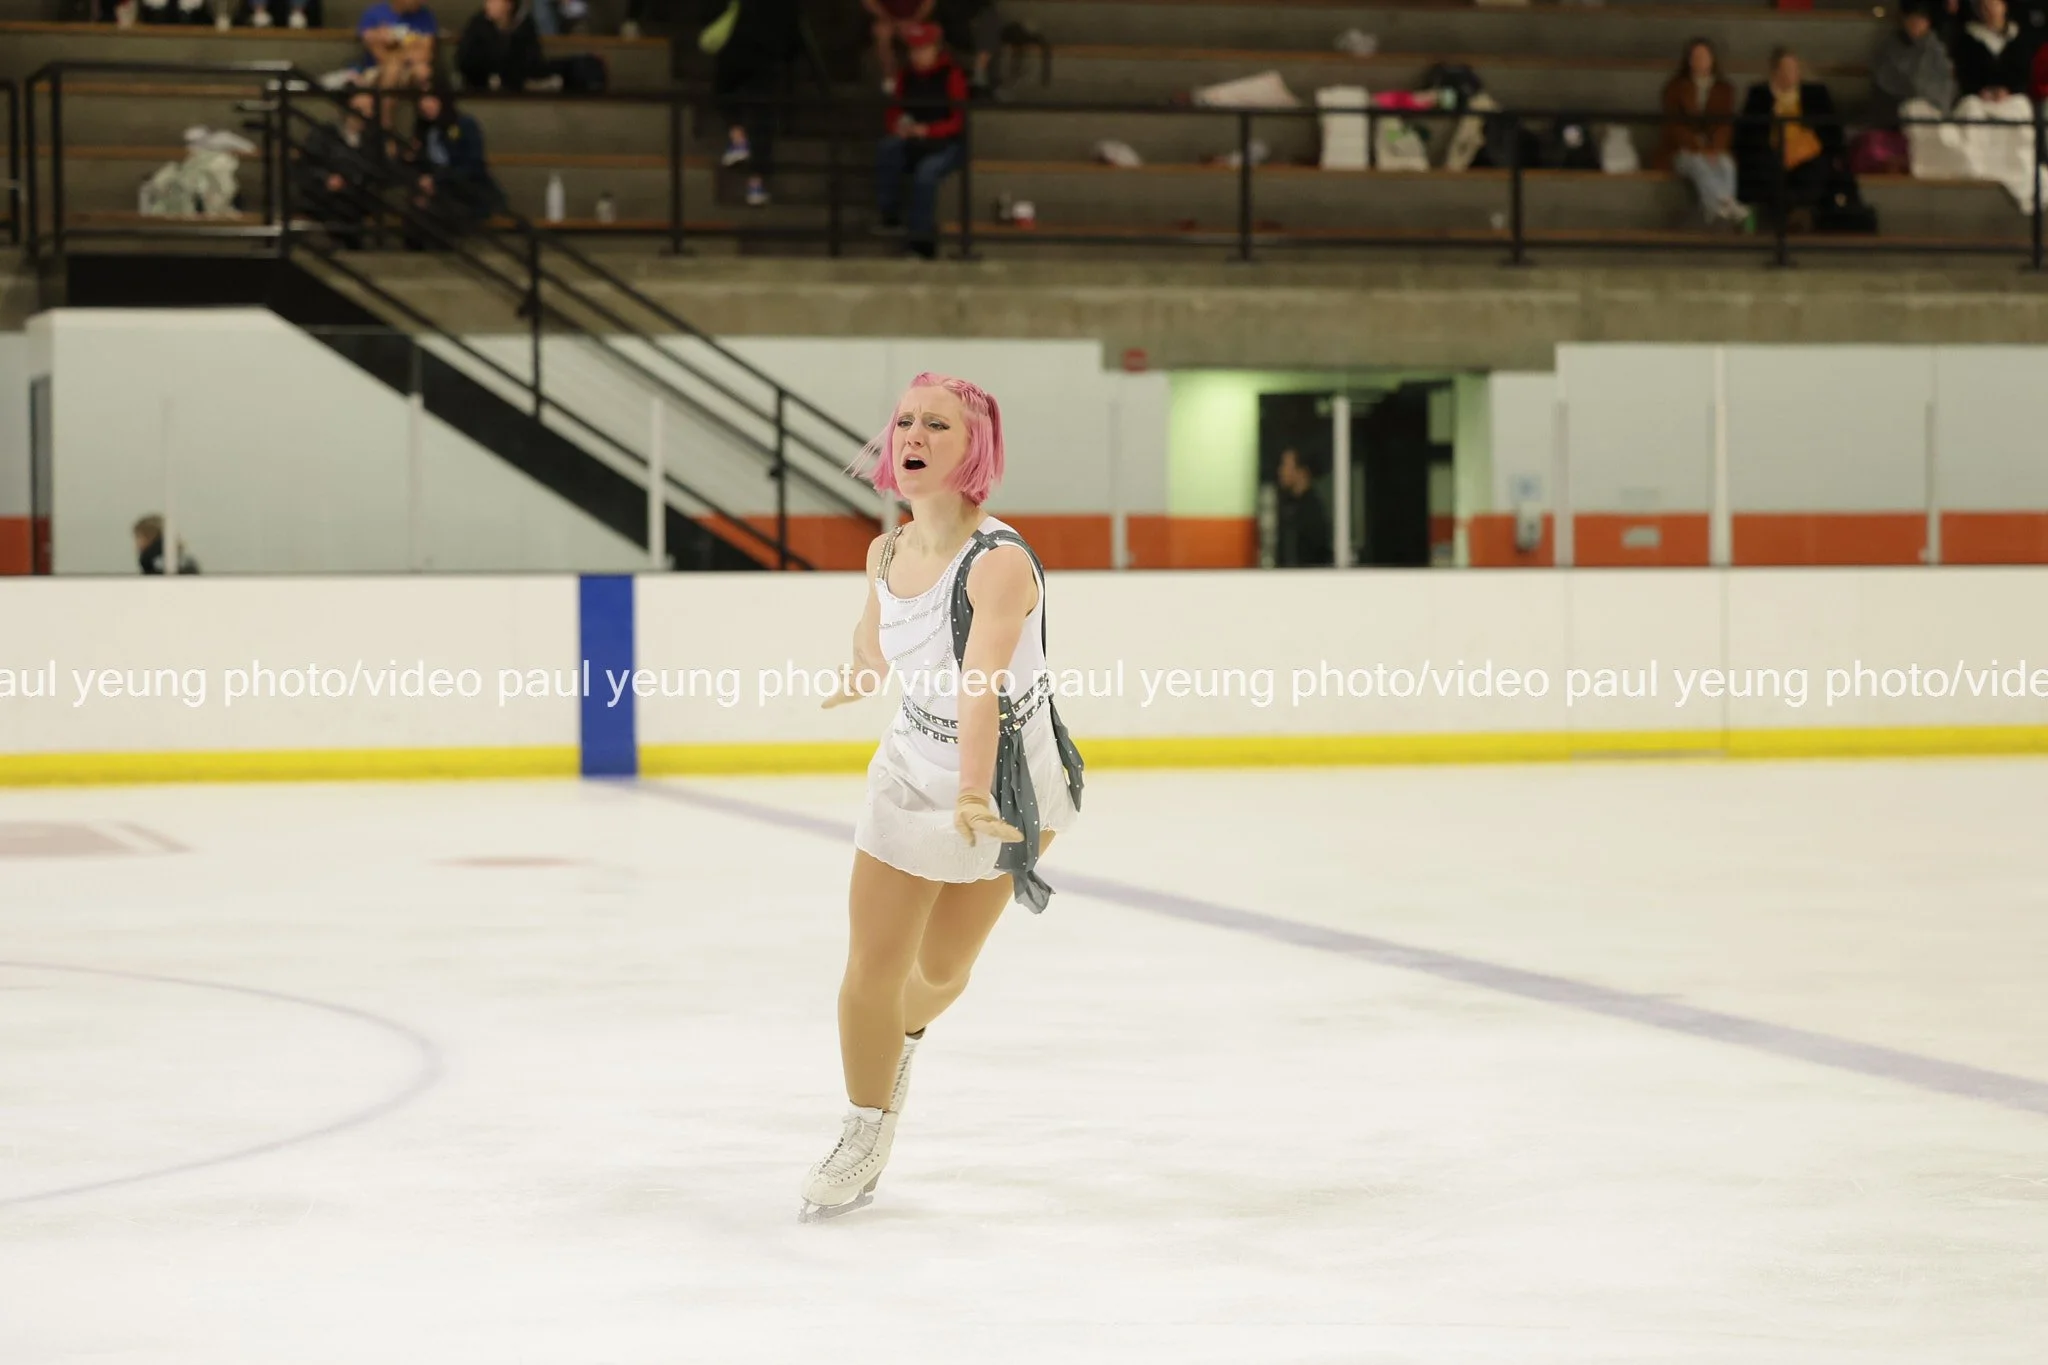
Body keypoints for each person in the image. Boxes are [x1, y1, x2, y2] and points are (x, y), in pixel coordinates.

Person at [798, 371, 1085, 1223]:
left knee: (940, 970)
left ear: (974, 449)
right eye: (904, 421)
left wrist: (970, 790)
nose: (913, 435)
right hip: (909, 767)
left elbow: (980, 685)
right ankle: (864, 1127)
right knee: (871, 968)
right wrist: (860, 669)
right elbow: (877, 634)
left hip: (1006, 778)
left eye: (937, 424)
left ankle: (898, 1045)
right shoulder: (885, 552)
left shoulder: (998, 565)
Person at [877, 22, 969, 259]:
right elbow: (893, 112)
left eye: (923, 49)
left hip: (948, 144)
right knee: (888, 148)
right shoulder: (905, 75)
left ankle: (921, 242)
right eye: (913, 49)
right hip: (913, 139)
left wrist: (928, 130)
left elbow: (958, 121)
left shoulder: (952, 75)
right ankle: (890, 216)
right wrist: (899, 128)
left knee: (926, 172)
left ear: (936, 49)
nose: (917, 55)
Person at [1736, 48, 1846, 231]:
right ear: (1775, 72)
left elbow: (1832, 131)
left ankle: (1799, 214)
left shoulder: (1816, 93)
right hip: (1771, 154)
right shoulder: (1758, 95)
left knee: (1817, 169)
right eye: (1785, 69)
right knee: (1766, 170)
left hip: (1808, 155)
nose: (1790, 74)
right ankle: (1784, 218)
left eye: (1794, 69)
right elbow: (1748, 134)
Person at [1948, 0, 2043, 206]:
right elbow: (1965, 72)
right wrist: (1980, 90)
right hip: (1979, 97)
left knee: (2020, 109)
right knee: (1971, 110)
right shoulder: (1968, 38)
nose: (1990, 11)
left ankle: (2019, 169)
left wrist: (2008, 90)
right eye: (1984, 6)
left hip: (2010, 97)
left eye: (1994, 5)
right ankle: (1978, 171)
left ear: (2004, 7)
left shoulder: (2018, 37)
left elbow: (2023, 71)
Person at [715, 0, 803, 209]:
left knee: (723, 91)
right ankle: (756, 184)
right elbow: (794, 32)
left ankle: (738, 138)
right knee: (763, 116)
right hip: (769, 55)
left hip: (737, 47)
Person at [1657, 38, 1749, 229]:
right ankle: (1724, 204)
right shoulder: (1674, 87)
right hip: (1682, 149)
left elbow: (1725, 125)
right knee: (1699, 164)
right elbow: (1673, 125)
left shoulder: (1724, 89)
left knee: (1726, 164)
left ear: (1712, 60)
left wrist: (1714, 148)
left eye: (1704, 56)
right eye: (1696, 57)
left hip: (1714, 148)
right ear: (1688, 60)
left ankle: (1720, 208)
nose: (1700, 61)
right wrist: (1698, 147)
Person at [407, 87, 506, 241]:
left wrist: (436, 180)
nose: (426, 105)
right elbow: (422, 164)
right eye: (422, 100)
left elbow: (473, 165)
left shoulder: (465, 125)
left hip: (466, 186)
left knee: (443, 201)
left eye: (431, 99)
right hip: (437, 185)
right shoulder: (425, 131)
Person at [296, 90, 392, 246]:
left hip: (358, 193)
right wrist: (327, 178)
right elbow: (307, 164)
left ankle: (349, 242)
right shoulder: (326, 132)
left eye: (369, 109)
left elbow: (380, 170)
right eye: (359, 109)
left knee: (353, 204)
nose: (364, 114)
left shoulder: (373, 138)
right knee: (337, 205)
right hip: (326, 192)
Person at [1272, 448, 1332, 568]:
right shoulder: (1288, 506)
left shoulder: (1312, 512)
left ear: (1301, 471)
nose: (1280, 471)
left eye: (1285, 465)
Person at [865, 0, 935, 92]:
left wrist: (914, 20)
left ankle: (923, 79)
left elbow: (928, 3)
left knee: (922, 34)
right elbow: (869, 2)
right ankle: (889, 78)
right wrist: (888, 18)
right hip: (887, 21)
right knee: (881, 33)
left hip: (915, 20)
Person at [133, 516, 200, 575]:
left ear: (149, 536)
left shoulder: (158, 562)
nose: (137, 543)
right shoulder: (184, 559)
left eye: (139, 537)